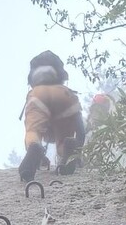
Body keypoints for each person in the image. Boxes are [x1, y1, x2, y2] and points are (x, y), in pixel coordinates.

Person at [19, 51, 86, 183]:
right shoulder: (65, 90)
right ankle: (67, 154)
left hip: (38, 96)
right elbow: (80, 130)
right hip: (65, 96)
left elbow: (31, 129)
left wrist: (37, 153)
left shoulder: (35, 90)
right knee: (63, 141)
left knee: (34, 132)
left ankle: (34, 146)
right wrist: (77, 150)